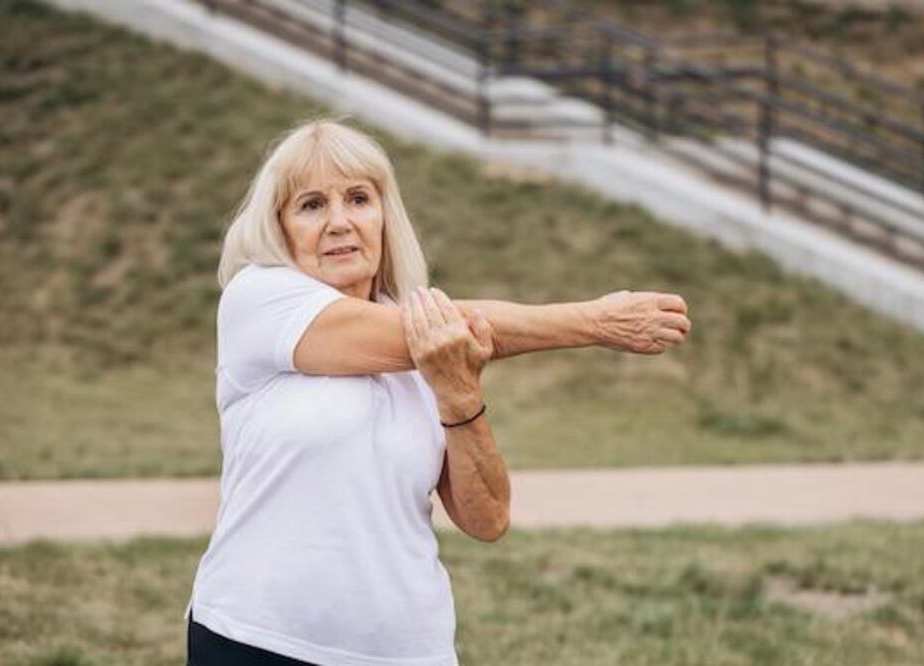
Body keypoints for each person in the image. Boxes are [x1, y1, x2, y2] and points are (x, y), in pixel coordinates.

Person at [183, 118, 692, 665]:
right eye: (311, 205)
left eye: (358, 198)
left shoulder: (432, 346)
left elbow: (487, 519)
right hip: (258, 639)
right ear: (280, 228)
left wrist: (456, 393)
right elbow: (430, 333)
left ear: (384, 215)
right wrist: (594, 322)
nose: (338, 223)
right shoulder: (259, 299)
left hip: (405, 650)